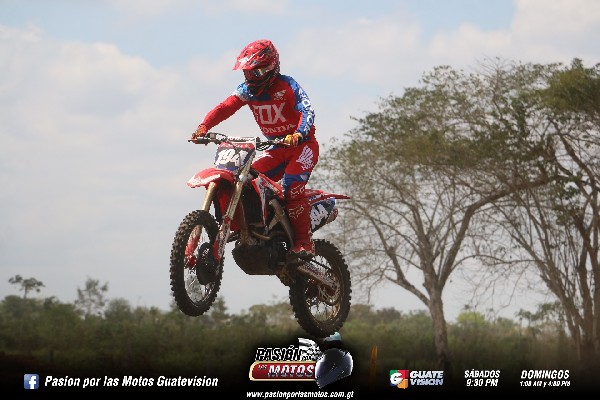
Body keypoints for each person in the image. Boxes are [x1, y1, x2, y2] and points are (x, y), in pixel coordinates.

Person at [191, 39, 318, 257]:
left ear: (271, 67)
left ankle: (304, 242)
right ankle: (257, 227)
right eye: (247, 73)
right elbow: (225, 107)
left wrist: (298, 134)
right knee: (247, 180)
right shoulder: (247, 91)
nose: (251, 78)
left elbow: (306, 111)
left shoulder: (287, 85)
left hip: (301, 147)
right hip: (275, 149)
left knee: (292, 187)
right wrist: (204, 126)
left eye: (256, 72)